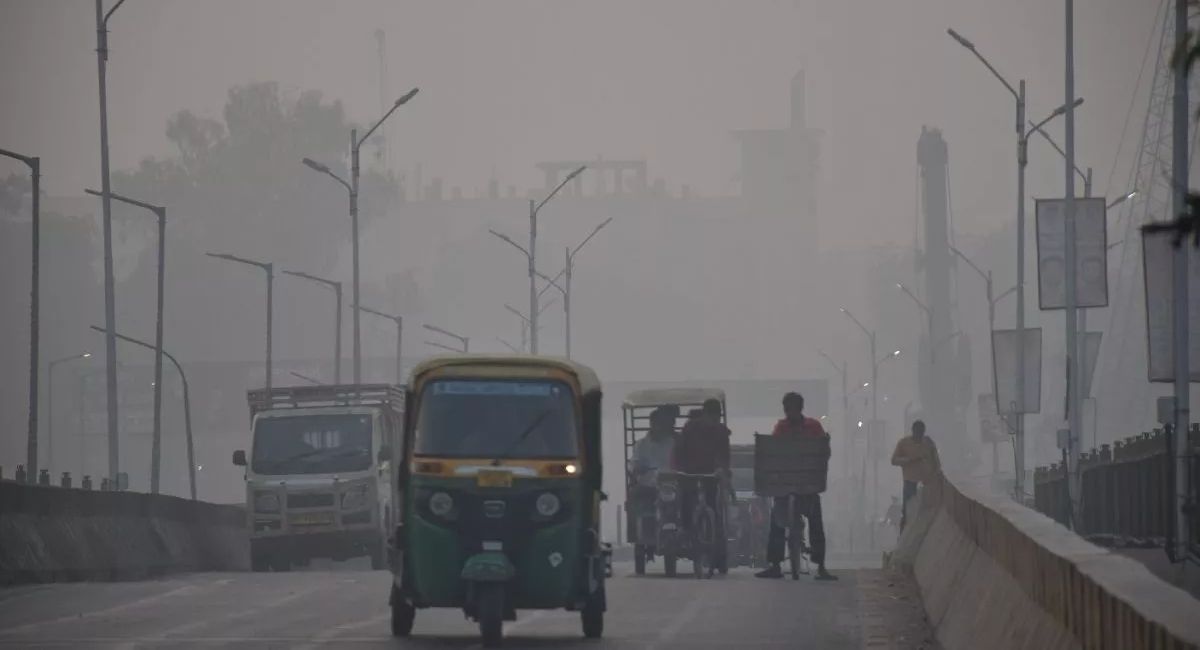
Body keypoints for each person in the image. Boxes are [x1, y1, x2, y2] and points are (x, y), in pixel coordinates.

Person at [755, 392, 837, 581]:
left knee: (813, 523)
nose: (788, 412)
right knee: (778, 523)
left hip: (800, 485)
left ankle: (821, 566)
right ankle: (776, 565)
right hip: (795, 484)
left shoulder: (811, 426)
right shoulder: (784, 427)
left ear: (798, 408)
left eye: (790, 408)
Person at [672, 398, 731, 564]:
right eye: (711, 417)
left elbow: (724, 455)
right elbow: (679, 451)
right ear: (704, 415)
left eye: (717, 418)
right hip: (689, 472)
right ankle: (685, 529)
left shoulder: (721, 431)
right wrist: (680, 469)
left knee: (713, 504)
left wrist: (722, 469)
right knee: (686, 498)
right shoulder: (690, 428)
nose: (714, 421)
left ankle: (714, 537)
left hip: (711, 474)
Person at [890, 419, 940, 530]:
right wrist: (908, 460)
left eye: (921, 432)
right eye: (917, 432)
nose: (919, 435)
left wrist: (936, 475)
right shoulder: (904, 443)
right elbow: (893, 460)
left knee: (927, 510)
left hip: (927, 483)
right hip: (910, 482)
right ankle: (904, 533)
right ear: (913, 431)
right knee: (908, 511)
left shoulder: (928, 443)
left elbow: (936, 462)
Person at [631, 406, 677, 487]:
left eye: (663, 424)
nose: (660, 427)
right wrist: (637, 469)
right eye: (657, 423)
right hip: (647, 487)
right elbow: (635, 465)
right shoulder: (641, 445)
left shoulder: (674, 443)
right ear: (651, 424)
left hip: (671, 486)